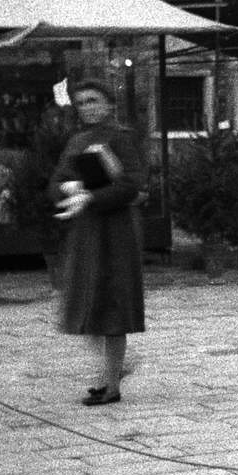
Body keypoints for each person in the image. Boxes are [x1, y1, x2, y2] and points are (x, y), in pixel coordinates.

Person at [49, 78, 147, 406]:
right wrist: (71, 188)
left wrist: (92, 196)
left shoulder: (120, 138)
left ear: (107, 103)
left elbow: (132, 185)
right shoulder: (77, 140)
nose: (87, 107)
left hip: (115, 234)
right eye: (81, 103)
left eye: (93, 100)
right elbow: (57, 181)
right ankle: (113, 371)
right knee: (84, 306)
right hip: (86, 236)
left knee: (113, 307)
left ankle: (112, 386)